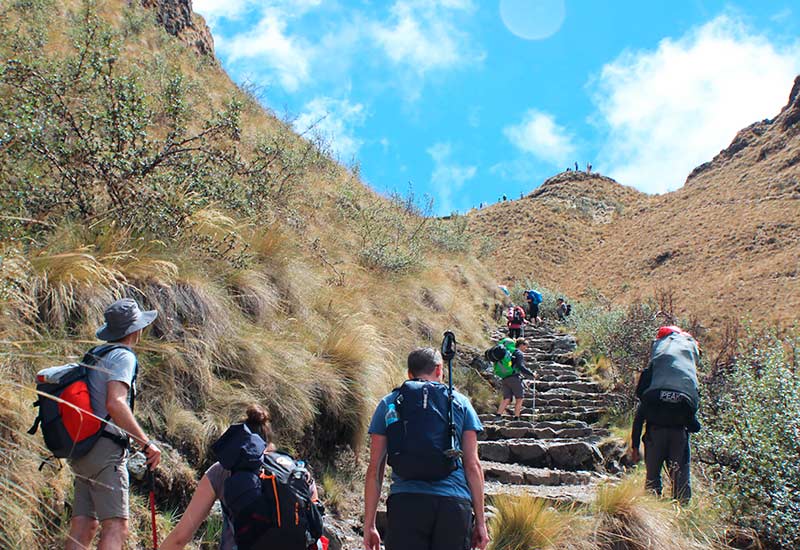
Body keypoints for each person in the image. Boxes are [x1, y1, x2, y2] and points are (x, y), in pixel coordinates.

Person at [363, 348, 489, 550]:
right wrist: (481, 523)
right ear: (439, 370)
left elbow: (375, 469)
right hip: (453, 504)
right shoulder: (460, 403)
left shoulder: (389, 403)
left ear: (409, 374)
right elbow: (472, 465)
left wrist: (369, 525)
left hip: (406, 502)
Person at [66, 298, 162, 550]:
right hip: (106, 452)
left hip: (82, 447)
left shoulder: (96, 354)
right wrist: (147, 443)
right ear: (135, 329)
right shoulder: (123, 357)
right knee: (116, 526)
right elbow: (115, 403)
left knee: (83, 525)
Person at [162, 404, 321, 550]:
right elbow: (316, 532)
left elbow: (180, 538)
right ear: (269, 439)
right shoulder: (298, 473)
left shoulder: (222, 471)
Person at [629, 327, 702, 504]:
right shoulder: (684, 382)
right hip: (678, 434)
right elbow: (694, 425)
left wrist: (635, 446)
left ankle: (653, 515)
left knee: (652, 479)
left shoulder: (653, 378)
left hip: (654, 433)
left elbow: (639, 415)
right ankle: (682, 513)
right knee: (681, 480)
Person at [496, 339, 534, 419]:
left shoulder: (509, 352)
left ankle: (498, 416)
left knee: (506, 398)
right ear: (521, 345)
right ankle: (516, 417)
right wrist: (531, 374)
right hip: (514, 378)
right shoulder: (518, 353)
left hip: (505, 377)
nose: (526, 348)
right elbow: (520, 366)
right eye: (526, 346)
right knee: (519, 398)